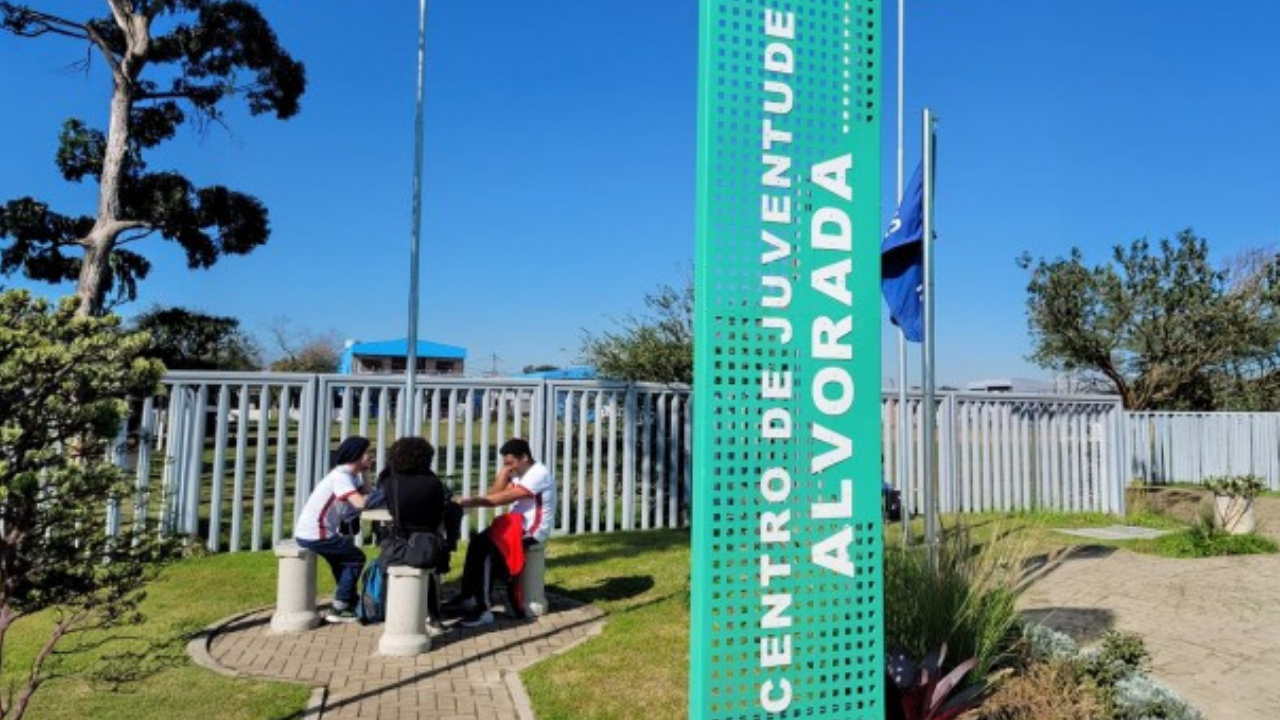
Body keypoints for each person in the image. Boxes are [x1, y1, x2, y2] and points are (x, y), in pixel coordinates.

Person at [447, 438, 555, 627]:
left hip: (532, 530)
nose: (508, 466)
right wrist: (505, 471)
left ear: (525, 457)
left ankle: (484, 609)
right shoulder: (520, 471)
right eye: (505, 462)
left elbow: (502, 499)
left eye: (510, 462)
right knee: (477, 541)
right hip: (515, 525)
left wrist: (471, 501)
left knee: (487, 550)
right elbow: (495, 492)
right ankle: (469, 595)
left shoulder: (539, 474)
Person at [293, 435, 373, 623]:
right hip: (316, 533)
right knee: (356, 558)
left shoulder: (349, 475)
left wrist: (366, 472)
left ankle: (348, 603)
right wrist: (375, 498)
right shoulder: (341, 477)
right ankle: (339, 607)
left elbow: (368, 493)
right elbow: (361, 503)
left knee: (343, 563)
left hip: (314, 532)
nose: (371, 456)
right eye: (367, 453)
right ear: (356, 455)